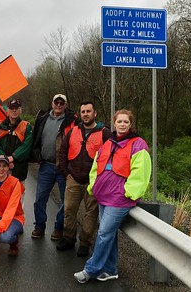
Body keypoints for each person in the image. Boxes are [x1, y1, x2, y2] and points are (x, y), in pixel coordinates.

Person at [74, 109, 152, 283]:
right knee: (109, 234)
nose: (122, 124)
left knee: (103, 233)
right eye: (119, 121)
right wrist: (94, 186)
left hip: (119, 200)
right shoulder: (108, 143)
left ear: (131, 124)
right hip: (103, 196)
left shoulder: (139, 145)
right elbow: (96, 166)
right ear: (114, 123)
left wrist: (128, 193)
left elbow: (142, 174)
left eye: (126, 122)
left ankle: (91, 270)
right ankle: (110, 269)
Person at [57, 101, 111, 257]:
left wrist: (103, 178)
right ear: (80, 114)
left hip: (93, 181)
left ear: (95, 113)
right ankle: (68, 238)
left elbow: (111, 156)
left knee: (91, 213)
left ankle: (85, 243)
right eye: (83, 112)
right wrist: (65, 171)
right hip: (72, 178)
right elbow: (63, 151)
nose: (85, 114)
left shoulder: (104, 132)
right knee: (68, 210)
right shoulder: (73, 131)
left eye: (88, 111)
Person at [31, 94, 79, 240]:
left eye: (61, 103)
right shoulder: (43, 118)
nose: (58, 105)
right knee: (39, 199)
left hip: (64, 168)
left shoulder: (73, 121)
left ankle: (59, 228)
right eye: (56, 102)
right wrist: (35, 155)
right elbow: (35, 138)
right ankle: (39, 226)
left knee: (66, 201)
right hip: (46, 165)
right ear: (52, 104)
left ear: (65, 105)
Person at [0, 99, 33, 182]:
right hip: (0, 171)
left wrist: (13, 157)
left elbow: (26, 147)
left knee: (17, 194)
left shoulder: (27, 127)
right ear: (7, 110)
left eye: (16, 108)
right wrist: (5, 159)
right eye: (11, 108)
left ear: (20, 110)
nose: (14, 110)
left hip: (18, 172)